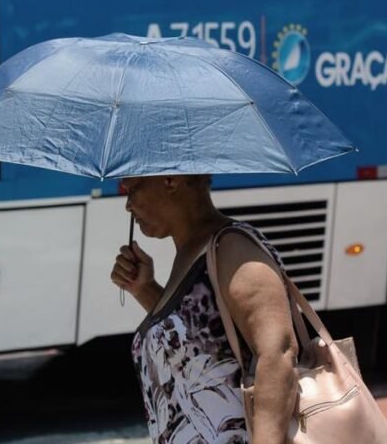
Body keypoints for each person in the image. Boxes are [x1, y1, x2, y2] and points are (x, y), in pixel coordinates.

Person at [110, 175, 298, 442]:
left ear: (170, 181)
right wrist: (144, 288)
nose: (128, 205)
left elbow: (278, 355)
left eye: (132, 190)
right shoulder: (191, 252)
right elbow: (195, 343)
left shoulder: (232, 248)